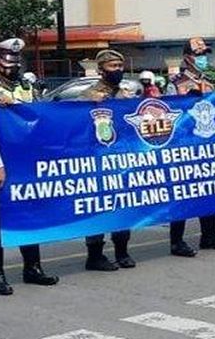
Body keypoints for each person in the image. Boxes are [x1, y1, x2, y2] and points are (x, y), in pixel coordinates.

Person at [0, 38, 59, 295]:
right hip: (0, 166)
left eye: (16, 61)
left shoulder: (27, 89)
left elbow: (42, 117)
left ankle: (32, 268)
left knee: (31, 214)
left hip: (28, 166)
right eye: (8, 61)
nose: (13, 65)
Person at [167, 37, 215, 257]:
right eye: (199, 54)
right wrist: (184, 104)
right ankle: (176, 241)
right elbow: (166, 113)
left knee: (209, 191)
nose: (203, 58)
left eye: (205, 54)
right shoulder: (176, 83)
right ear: (188, 57)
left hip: (207, 146)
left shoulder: (209, 82)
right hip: (183, 148)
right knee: (183, 195)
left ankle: (209, 235)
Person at [80, 49, 136, 271]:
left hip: (121, 161)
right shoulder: (88, 94)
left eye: (120, 66)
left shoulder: (125, 95)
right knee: (98, 208)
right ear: (102, 70)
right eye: (113, 67)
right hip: (97, 162)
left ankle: (122, 251)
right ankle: (94, 255)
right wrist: (89, 103)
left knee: (123, 206)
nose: (118, 71)